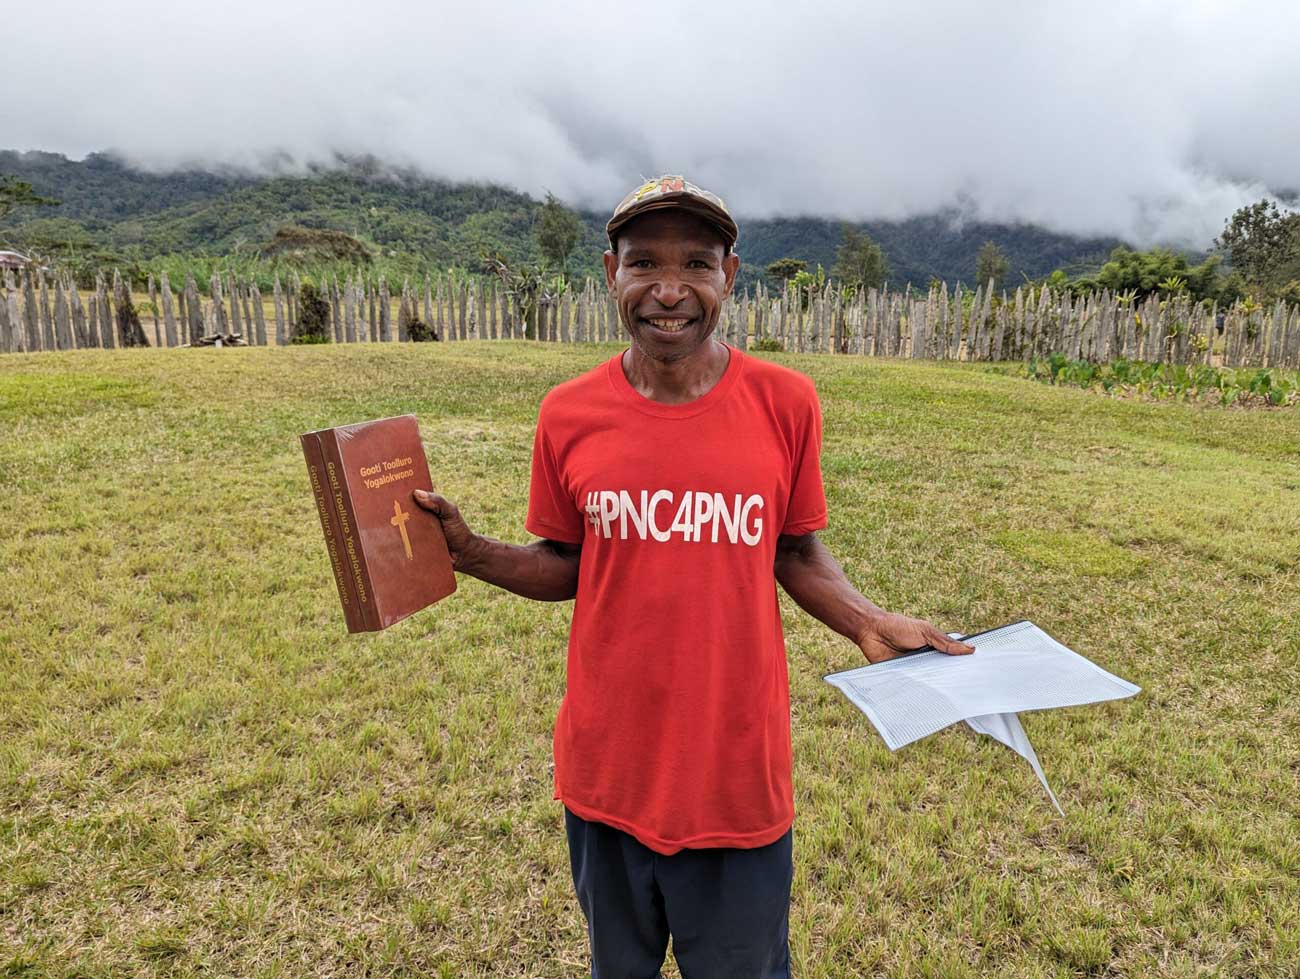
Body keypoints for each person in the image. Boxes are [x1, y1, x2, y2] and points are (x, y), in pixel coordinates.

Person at [413, 175, 973, 978]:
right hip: (607, 778)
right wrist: (470, 552)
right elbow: (567, 563)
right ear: (612, 273)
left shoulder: (786, 402)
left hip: (735, 784)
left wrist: (866, 620)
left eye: (696, 265)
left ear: (730, 276)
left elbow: (796, 549)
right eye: (644, 263)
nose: (668, 291)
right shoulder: (568, 414)